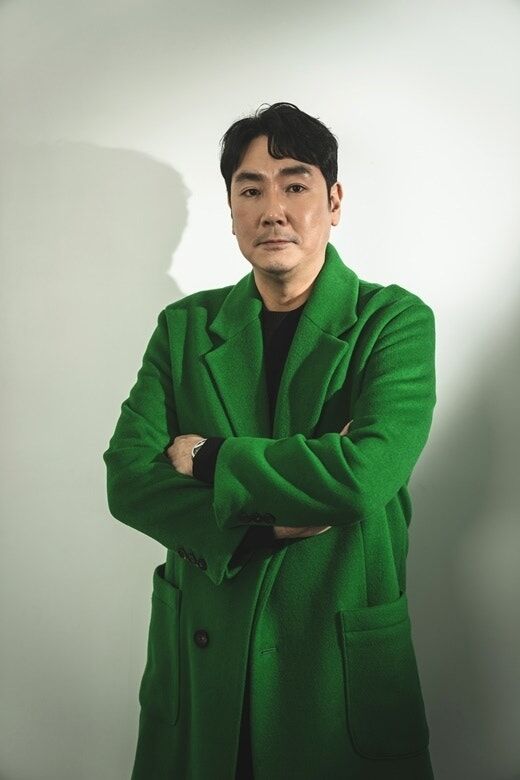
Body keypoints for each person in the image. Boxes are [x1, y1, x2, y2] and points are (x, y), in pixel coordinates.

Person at [103, 101, 436, 779]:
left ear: (333, 201)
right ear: (230, 211)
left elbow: (361, 477)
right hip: (206, 654)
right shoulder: (184, 328)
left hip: (332, 662)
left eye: (295, 185)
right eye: (250, 190)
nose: (273, 210)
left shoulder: (392, 321)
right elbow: (129, 480)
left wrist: (208, 457)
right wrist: (264, 529)